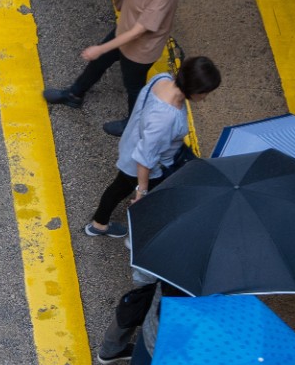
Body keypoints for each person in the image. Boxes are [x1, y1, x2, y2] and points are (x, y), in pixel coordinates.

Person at [83, 57, 220, 238]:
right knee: (160, 201)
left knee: (118, 188)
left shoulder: (161, 79)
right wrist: (142, 192)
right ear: (194, 89)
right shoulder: (166, 117)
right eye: (204, 93)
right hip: (154, 164)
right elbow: (145, 157)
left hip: (131, 144)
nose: (204, 98)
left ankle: (99, 225)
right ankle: (140, 237)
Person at [43, 0, 185, 122]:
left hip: (140, 50)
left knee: (134, 87)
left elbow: (138, 32)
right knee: (98, 63)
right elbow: (126, 4)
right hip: (122, 32)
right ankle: (74, 95)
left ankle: (132, 123)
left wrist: (101, 48)